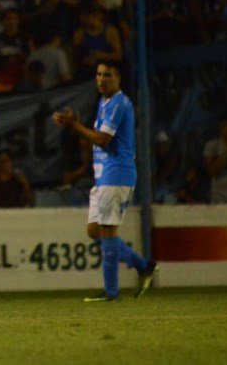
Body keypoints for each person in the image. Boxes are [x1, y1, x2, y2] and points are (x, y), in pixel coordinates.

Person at [52, 59, 157, 302]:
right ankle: (143, 266)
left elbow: (102, 140)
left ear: (118, 78)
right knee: (94, 231)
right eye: (98, 74)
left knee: (108, 230)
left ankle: (111, 292)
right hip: (104, 175)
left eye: (107, 75)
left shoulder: (119, 103)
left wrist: (76, 126)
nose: (101, 79)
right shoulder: (104, 101)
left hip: (117, 172)